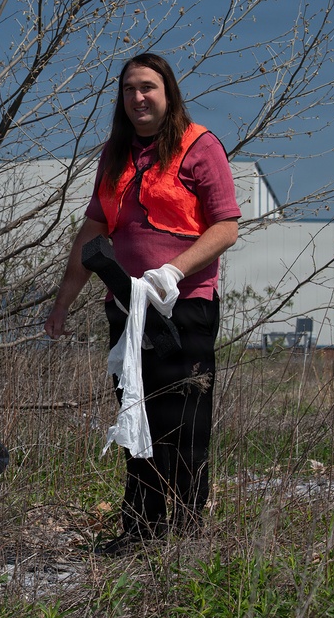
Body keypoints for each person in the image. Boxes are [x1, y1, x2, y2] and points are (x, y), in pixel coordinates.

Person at [45, 53, 240, 556]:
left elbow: (226, 226)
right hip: (126, 309)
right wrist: (64, 301)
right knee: (138, 417)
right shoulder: (115, 152)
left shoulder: (200, 146)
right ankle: (140, 532)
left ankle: (186, 536)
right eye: (130, 89)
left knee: (186, 421)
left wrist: (174, 270)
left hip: (185, 305)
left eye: (148, 87)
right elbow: (93, 230)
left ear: (168, 92)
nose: (139, 97)